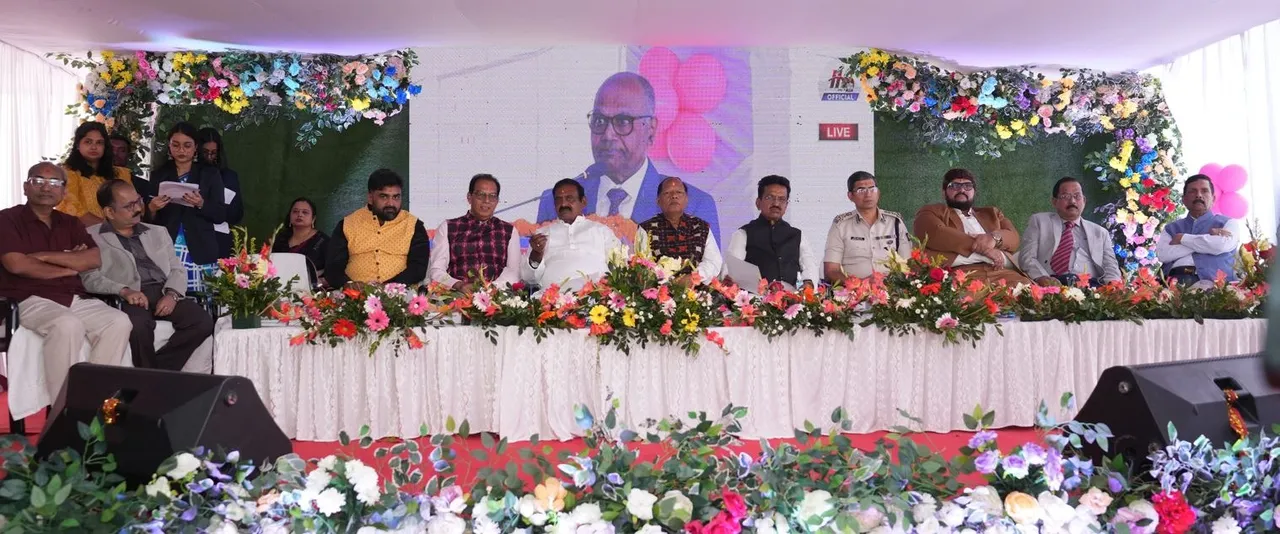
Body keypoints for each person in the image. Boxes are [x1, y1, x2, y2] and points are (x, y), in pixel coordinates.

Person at [534, 72, 721, 242]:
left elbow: (705, 269)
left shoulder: (695, 206)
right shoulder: (555, 201)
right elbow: (538, 266)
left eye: (623, 121)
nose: (608, 135)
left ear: (651, 130)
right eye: (599, 120)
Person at [0, 162, 131, 399]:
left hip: (71, 296)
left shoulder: (71, 223)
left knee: (118, 321)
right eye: (38, 181)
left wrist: (42, 257)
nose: (46, 188)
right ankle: (64, 406)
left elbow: (93, 259)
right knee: (67, 324)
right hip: (27, 297)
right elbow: (17, 265)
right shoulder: (7, 219)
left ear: (63, 191)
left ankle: (93, 400)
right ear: (26, 187)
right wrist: (69, 265)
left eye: (54, 183)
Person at [81, 179, 214, 371]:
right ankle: (152, 378)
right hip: (126, 295)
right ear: (109, 212)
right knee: (138, 326)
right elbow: (89, 277)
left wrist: (172, 294)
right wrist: (124, 291)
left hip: (162, 290)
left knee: (202, 322)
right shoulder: (90, 236)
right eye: (129, 205)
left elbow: (177, 268)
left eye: (138, 201)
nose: (138, 208)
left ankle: (155, 373)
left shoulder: (158, 232)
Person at [913, 168, 1031, 286]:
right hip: (960, 274)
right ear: (944, 192)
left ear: (974, 192)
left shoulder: (992, 213)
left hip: (1000, 272)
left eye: (968, 186)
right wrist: (985, 250)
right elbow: (936, 233)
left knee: (1028, 289)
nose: (962, 190)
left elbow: (1013, 237)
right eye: (954, 186)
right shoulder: (931, 211)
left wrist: (992, 238)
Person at [149, 122, 227, 294]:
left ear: (196, 147)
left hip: (199, 246)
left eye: (187, 145)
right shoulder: (158, 175)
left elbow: (220, 214)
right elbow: (147, 222)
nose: (181, 150)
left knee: (201, 298)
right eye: (176, 145)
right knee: (168, 296)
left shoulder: (209, 174)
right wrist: (152, 208)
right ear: (169, 146)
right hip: (167, 246)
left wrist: (201, 203)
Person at [327, 169, 430, 287]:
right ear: (370, 198)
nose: (391, 203)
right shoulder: (348, 224)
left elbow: (418, 268)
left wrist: (388, 288)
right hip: (354, 294)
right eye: (384, 197)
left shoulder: (413, 225)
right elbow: (333, 268)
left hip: (400, 294)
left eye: (396, 197)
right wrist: (348, 285)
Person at [1018, 177, 1122, 286]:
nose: (1072, 201)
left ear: (1084, 201)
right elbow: (1027, 257)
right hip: (1052, 283)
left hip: (1090, 286)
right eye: (1065, 196)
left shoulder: (1100, 233)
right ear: (1054, 201)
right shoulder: (1040, 221)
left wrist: (1113, 287)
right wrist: (1042, 277)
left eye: (1077, 196)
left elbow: (1111, 267)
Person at [724, 175, 821, 289]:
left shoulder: (797, 235)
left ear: (786, 205)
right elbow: (732, 267)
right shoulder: (744, 234)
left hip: (793, 297)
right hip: (755, 297)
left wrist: (808, 283)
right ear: (758, 203)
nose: (776, 203)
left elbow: (810, 265)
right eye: (770, 197)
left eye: (782, 199)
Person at [523, 179, 621, 289]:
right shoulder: (541, 234)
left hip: (597, 294)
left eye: (569, 198)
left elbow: (620, 267)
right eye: (558, 200)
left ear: (583, 201)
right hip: (555, 296)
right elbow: (528, 278)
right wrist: (536, 254)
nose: (563, 204)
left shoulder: (601, 231)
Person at [429, 174, 521, 290]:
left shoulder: (508, 231)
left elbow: (514, 272)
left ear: (497, 201)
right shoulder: (448, 227)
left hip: (497, 296)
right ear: (469, 197)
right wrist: (458, 285)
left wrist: (491, 288)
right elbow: (437, 270)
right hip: (457, 296)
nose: (486, 200)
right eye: (481, 195)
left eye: (492, 196)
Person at [1156, 174, 1244, 286]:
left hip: (1215, 287)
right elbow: (1163, 254)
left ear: (1213, 199)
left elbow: (1222, 245)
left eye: (1204, 191)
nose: (1199, 195)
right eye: (1192, 191)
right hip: (1174, 285)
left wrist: (1182, 238)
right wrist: (1209, 241)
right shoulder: (1171, 228)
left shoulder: (1228, 223)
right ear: (1184, 200)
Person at [823, 171, 911, 283]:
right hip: (854, 291)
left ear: (878, 193)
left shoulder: (895, 222)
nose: (868, 194)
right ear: (850, 196)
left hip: (891, 289)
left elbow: (908, 263)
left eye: (872, 189)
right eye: (861, 190)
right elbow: (831, 270)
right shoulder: (841, 225)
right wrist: (861, 285)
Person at [634, 177, 723, 282]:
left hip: (697, 288)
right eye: (667, 193)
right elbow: (643, 265)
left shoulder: (701, 227)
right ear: (658, 201)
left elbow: (713, 262)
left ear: (686, 199)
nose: (674, 196)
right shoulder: (646, 228)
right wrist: (670, 282)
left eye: (679, 192)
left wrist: (694, 277)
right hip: (659, 289)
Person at [58, 121, 134, 227]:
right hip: (81, 233)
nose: (94, 147)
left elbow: (133, 206)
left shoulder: (121, 173)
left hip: (122, 232)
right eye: (88, 142)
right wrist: (110, 228)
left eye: (99, 143)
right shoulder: (67, 173)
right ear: (78, 145)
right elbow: (71, 209)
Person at [197, 128, 244, 258]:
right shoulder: (191, 173)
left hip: (219, 237)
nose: (209, 157)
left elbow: (237, 215)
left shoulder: (229, 177)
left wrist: (219, 209)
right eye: (205, 152)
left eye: (213, 153)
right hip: (193, 235)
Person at [271, 198, 330, 288]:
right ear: (290, 216)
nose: (300, 215)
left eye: (305, 212)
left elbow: (333, 273)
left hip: (311, 290)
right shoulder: (280, 239)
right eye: (295, 211)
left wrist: (315, 282)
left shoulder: (323, 241)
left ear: (313, 219)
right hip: (279, 287)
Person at [109, 132, 154, 202]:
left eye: (122, 150)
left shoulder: (142, 186)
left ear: (128, 155)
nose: (115, 153)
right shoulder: (92, 180)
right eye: (111, 149)